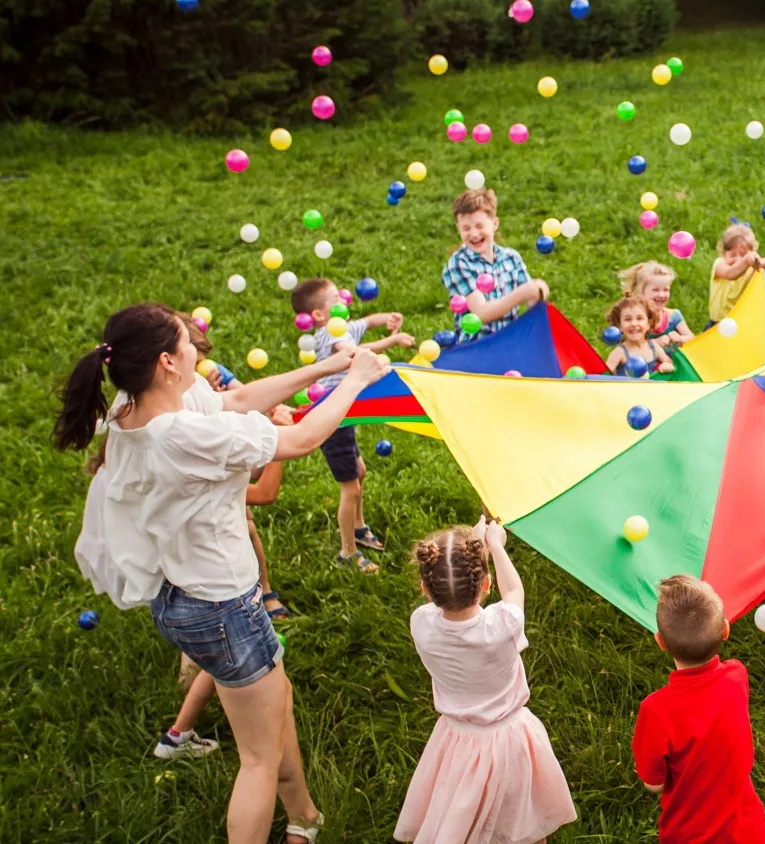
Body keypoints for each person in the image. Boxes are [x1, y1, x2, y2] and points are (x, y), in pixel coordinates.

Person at [54, 303, 390, 843]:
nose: (197, 351)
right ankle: (286, 820)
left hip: (181, 597)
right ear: (167, 361)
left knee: (275, 705)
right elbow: (300, 442)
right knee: (257, 757)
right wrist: (353, 382)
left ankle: (304, 819)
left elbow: (234, 399)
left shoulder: (132, 407)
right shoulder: (182, 436)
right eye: (188, 344)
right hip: (223, 608)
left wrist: (326, 369)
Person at [394, 518, 577, 844]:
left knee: (466, 816)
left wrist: (474, 553)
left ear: (424, 588)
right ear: (486, 585)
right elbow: (514, 591)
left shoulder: (421, 624)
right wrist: (495, 546)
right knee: (524, 818)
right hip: (510, 740)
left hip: (458, 740)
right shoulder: (503, 625)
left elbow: (450, 598)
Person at [632, 575, 765, 844]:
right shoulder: (737, 675)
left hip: (689, 835)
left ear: (660, 641)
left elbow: (654, 783)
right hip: (747, 830)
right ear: (726, 630)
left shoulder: (657, 710)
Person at [290, 277, 413, 574]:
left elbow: (366, 324)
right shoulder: (328, 336)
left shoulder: (341, 326)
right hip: (332, 421)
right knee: (350, 488)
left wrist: (389, 324)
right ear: (319, 316)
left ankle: (358, 528)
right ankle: (347, 552)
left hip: (345, 416)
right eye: (335, 299)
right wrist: (378, 362)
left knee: (360, 472)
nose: (343, 301)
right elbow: (353, 351)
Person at [442, 188, 550, 342]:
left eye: (480, 226)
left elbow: (532, 302)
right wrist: (523, 292)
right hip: (475, 349)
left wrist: (539, 292)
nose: (473, 234)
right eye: (466, 228)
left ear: (494, 223)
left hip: (510, 344)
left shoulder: (511, 258)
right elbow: (481, 314)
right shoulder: (458, 264)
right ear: (458, 228)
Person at [709, 223, 765, 327]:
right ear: (724, 252)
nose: (738, 259)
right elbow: (730, 274)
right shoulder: (719, 265)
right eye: (733, 255)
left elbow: (764, 267)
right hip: (716, 323)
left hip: (739, 324)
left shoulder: (750, 270)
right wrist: (746, 260)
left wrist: (762, 263)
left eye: (743, 254)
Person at [620, 261, 693, 347]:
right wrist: (654, 343)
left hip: (672, 360)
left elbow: (692, 338)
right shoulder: (634, 320)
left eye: (665, 290)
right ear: (640, 292)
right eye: (655, 290)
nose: (661, 295)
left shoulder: (673, 316)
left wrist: (680, 339)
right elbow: (628, 346)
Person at [604, 296, 675, 377]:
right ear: (620, 326)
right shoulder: (620, 352)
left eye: (639, 318)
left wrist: (667, 365)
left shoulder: (653, 346)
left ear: (648, 324)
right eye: (628, 319)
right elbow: (604, 374)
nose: (634, 324)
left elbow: (669, 362)